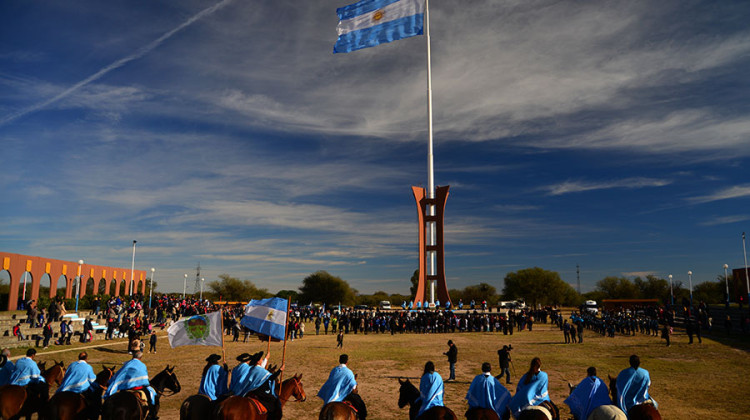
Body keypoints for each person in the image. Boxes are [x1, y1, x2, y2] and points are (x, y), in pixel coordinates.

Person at [104, 351, 158, 417]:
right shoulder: (142, 365)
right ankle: (151, 414)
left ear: (133, 356)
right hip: (138, 388)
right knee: (150, 395)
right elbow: (145, 381)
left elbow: (119, 375)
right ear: (141, 357)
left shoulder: (127, 364)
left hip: (126, 388)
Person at [318, 354, 366, 419]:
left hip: (331, 394)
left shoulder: (334, 370)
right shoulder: (349, 372)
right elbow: (353, 386)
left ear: (339, 361)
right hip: (342, 394)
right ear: (347, 362)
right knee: (360, 404)